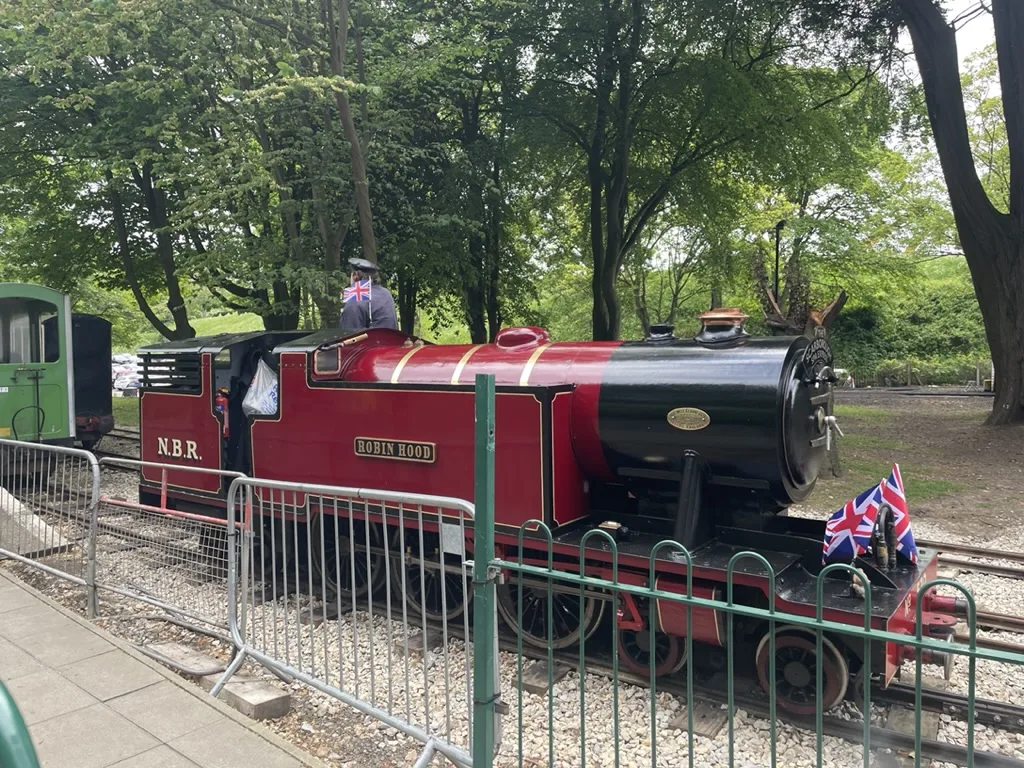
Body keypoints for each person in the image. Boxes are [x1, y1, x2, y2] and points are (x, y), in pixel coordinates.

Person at [339, 257, 399, 332]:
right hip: (393, 342)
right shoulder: (386, 293)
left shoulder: (355, 298)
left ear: (355, 275)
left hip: (370, 343)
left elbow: (348, 334)